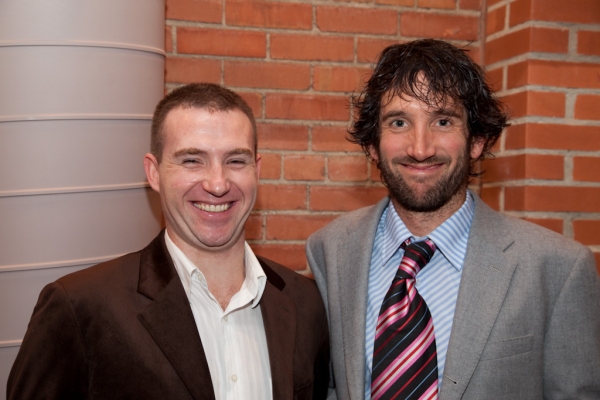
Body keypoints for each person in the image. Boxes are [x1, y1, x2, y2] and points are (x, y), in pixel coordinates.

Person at [306, 39, 600, 399]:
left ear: (476, 140)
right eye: (399, 122)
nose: (420, 148)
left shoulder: (558, 269)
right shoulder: (330, 251)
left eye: (442, 121)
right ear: (372, 144)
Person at [8, 83, 330, 400]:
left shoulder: (306, 305)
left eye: (235, 160)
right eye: (192, 160)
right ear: (154, 172)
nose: (217, 184)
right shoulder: (81, 309)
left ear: (256, 170)